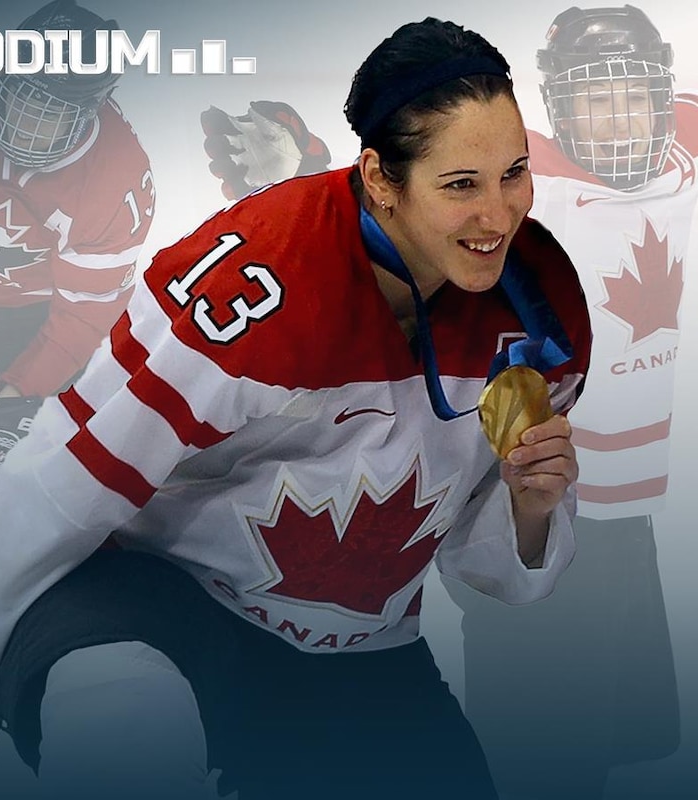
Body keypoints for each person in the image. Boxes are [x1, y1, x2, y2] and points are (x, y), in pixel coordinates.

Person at [0, 16, 591, 800]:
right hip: (147, 600)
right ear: (379, 179)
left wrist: (531, 507)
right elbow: (58, 485)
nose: (499, 216)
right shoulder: (250, 285)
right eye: (461, 184)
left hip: (357, 642)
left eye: (514, 173)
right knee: (127, 733)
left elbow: (484, 562)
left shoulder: (542, 313)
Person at [200, 6, 692, 796]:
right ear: (556, 108)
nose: (619, 116)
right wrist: (298, 159)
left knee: (609, 749)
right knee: (536, 744)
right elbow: (394, 203)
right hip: (507, 499)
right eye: (594, 96)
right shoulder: (524, 199)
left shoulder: (678, 160)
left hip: (622, 517)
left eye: (635, 92)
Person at [0, 0, 154, 503]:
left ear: (90, 111)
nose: (23, 126)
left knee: (36, 468)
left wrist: (18, 399)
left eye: (51, 113)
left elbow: (83, 318)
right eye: (19, 95)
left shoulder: (114, 184)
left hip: (33, 312)